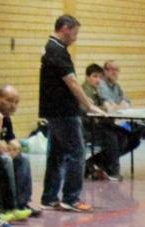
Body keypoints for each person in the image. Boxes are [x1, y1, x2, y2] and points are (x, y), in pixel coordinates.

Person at [39, 14, 104, 213]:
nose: (75, 38)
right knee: (77, 153)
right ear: (65, 28)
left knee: (56, 154)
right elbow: (72, 82)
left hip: (55, 110)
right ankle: (71, 198)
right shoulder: (57, 50)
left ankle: (49, 198)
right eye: (74, 33)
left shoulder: (51, 48)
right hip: (64, 111)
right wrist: (88, 105)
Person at [0, 85, 37, 223]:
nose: (13, 105)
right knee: (5, 160)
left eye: (16, 102)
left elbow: (11, 139)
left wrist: (16, 147)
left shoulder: (6, 118)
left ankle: (22, 204)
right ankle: (8, 208)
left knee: (22, 158)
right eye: (9, 100)